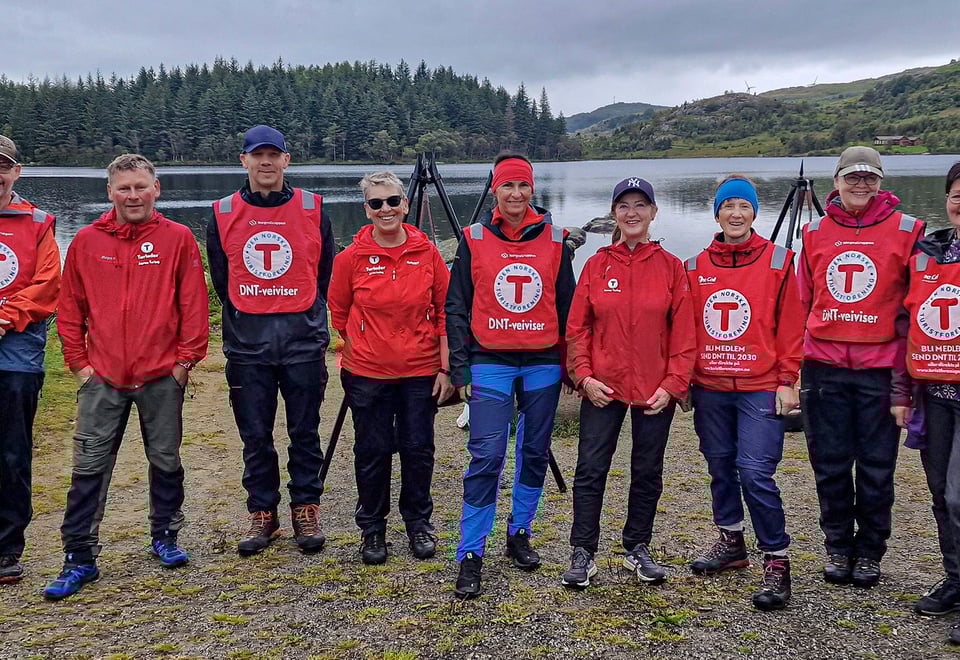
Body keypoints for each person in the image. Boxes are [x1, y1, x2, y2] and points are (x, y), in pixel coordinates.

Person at [45, 154, 208, 600]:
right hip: (102, 377)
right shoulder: (86, 240)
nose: (133, 196)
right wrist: (79, 365)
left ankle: (165, 535)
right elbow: (70, 307)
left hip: (161, 376)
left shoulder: (177, 238)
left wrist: (184, 364)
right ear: (110, 192)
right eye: (124, 188)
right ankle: (79, 557)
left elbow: (193, 305)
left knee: (166, 460)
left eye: (140, 187)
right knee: (89, 467)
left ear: (156, 189)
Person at [446, 153, 575, 598]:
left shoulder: (556, 239)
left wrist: (570, 364)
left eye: (523, 185)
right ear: (495, 190)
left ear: (532, 189)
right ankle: (470, 551)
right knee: (486, 456)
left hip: (543, 362)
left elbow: (568, 307)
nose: (516, 194)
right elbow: (456, 306)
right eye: (507, 186)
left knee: (534, 451)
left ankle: (520, 531)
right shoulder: (474, 237)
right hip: (490, 360)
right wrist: (459, 365)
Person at [562, 177, 696, 589]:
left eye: (640, 205)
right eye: (624, 206)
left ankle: (637, 546)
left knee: (647, 470)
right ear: (614, 213)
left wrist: (673, 384)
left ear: (653, 212)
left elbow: (685, 334)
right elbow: (577, 329)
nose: (632, 212)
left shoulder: (671, 267)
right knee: (590, 468)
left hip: (654, 390)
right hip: (603, 388)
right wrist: (584, 377)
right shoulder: (597, 264)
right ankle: (583, 551)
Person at [207, 125, 334, 556]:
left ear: (286, 160)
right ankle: (263, 512)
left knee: (305, 432)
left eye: (273, 154)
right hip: (248, 346)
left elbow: (324, 273)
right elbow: (223, 281)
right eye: (257, 154)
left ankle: (305, 507)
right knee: (255, 435)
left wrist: (307, 315)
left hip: (303, 341)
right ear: (243, 160)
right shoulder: (223, 212)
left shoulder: (313, 207)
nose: (266, 162)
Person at [799, 146, 923, 588]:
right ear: (836, 181)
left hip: (880, 368)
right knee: (830, 463)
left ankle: (870, 550)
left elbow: (916, 309)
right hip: (824, 367)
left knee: (876, 466)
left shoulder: (909, 230)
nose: (861, 185)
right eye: (852, 177)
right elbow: (803, 301)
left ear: (881, 182)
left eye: (870, 177)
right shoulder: (814, 232)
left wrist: (904, 384)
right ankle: (837, 545)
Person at [684, 176, 802, 610]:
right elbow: (686, 329)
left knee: (755, 472)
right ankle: (732, 542)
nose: (736, 214)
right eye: (728, 206)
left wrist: (788, 380)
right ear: (716, 213)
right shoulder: (694, 267)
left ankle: (777, 558)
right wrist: (684, 379)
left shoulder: (779, 262)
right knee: (719, 466)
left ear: (755, 212)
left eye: (744, 206)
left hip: (760, 386)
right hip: (710, 387)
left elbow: (791, 325)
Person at [328, 171, 454, 565]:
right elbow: (339, 311)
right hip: (367, 372)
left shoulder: (427, 253)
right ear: (366, 209)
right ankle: (372, 529)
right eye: (376, 203)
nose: (386, 209)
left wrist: (445, 368)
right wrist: (365, 342)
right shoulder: (350, 258)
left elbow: (446, 310)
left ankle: (418, 523)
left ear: (405, 204)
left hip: (420, 369)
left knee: (418, 449)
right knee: (373, 450)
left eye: (393, 201)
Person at [898, 162, 960, 642]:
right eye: (957, 195)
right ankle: (955, 578)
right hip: (935, 394)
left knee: (959, 495)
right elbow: (907, 325)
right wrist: (901, 392)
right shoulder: (927, 253)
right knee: (940, 492)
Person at [0, 135, 61, 585]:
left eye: (3, 167)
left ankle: (6, 548)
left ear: (16, 172)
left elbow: (48, 285)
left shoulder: (38, 222)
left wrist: (4, 318)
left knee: (12, 453)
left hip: (17, 354)